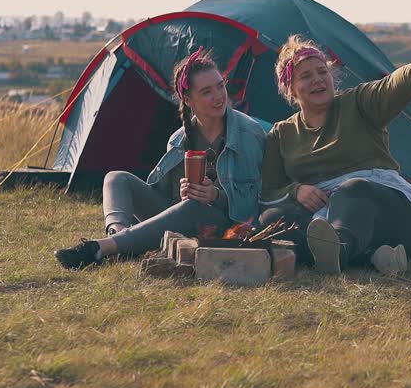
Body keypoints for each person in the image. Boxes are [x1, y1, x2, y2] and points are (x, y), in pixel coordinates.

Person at [258, 35, 411, 275]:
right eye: (306, 76)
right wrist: (297, 190)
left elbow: (394, 86)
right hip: (325, 213)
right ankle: (370, 256)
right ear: (291, 89)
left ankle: (337, 252)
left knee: (353, 190)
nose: (317, 80)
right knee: (271, 219)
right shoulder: (282, 134)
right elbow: (269, 190)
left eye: (321, 72)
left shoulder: (358, 103)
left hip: (387, 211)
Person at [54, 48, 266, 269]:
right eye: (206, 92)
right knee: (117, 178)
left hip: (227, 226)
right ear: (188, 99)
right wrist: (182, 194)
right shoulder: (178, 139)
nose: (219, 96)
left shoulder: (248, 134)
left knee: (192, 207)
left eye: (220, 86)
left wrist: (215, 196)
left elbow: (252, 205)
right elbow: (169, 204)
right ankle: (117, 238)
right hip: (184, 218)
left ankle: (101, 248)